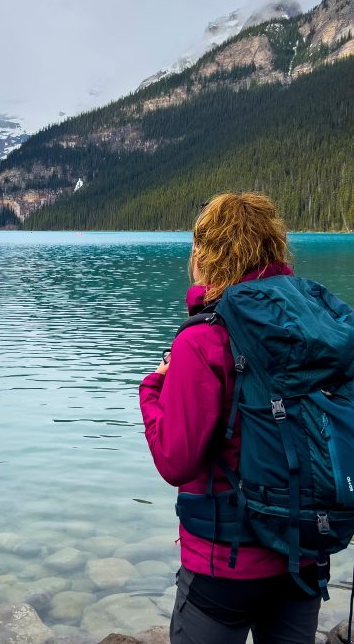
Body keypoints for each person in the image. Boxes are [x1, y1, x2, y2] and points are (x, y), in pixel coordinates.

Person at [138, 192, 321, 644]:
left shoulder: (203, 340)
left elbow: (175, 461)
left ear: (204, 255)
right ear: (276, 248)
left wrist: (152, 389)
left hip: (227, 561)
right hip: (306, 552)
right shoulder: (315, 325)